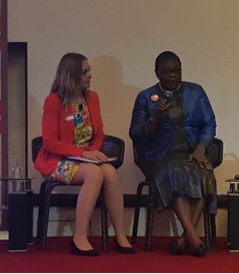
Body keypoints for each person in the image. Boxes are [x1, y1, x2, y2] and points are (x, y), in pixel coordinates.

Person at [34, 53, 135, 256]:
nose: (90, 76)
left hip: (84, 158)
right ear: (71, 75)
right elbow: (50, 142)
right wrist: (83, 153)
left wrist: (93, 152)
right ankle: (79, 237)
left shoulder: (93, 98)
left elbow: (99, 134)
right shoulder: (53, 101)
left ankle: (120, 234)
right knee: (95, 173)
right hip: (58, 161)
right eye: (85, 72)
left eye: (89, 71)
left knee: (110, 173)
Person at [129, 51, 217, 257]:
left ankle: (184, 238)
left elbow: (209, 123)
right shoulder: (145, 97)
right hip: (157, 156)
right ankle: (194, 239)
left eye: (176, 71)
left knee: (206, 174)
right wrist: (155, 119)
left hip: (190, 152)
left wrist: (200, 149)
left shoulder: (196, 92)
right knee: (173, 172)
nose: (172, 75)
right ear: (157, 73)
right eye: (166, 72)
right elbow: (135, 133)